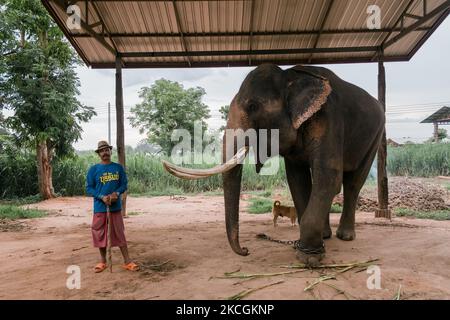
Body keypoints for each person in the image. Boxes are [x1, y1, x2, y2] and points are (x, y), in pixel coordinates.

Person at [86, 140, 139, 273]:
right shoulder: (94, 170)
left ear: (110, 151)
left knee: (119, 233)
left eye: (106, 150)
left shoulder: (118, 168)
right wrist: (101, 197)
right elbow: (89, 188)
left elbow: (124, 184)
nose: (105, 152)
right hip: (100, 207)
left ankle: (127, 262)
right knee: (100, 234)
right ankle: (103, 261)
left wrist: (116, 193)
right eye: (102, 150)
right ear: (99, 154)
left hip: (115, 207)